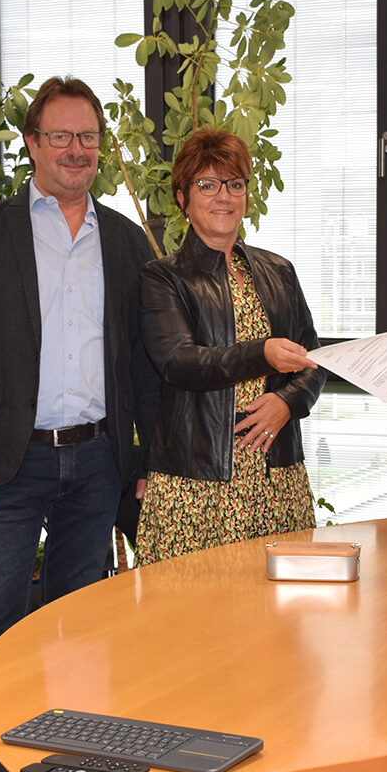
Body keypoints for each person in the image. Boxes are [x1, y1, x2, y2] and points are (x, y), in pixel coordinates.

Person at [0, 76, 159, 673]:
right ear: (32, 142)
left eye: (88, 137)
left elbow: (143, 362)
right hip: (9, 460)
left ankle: (67, 721)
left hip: (98, 459)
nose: (76, 150)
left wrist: (148, 459)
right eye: (61, 136)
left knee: (79, 612)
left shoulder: (126, 241)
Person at [136, 128, 326, 563]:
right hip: (196, 484)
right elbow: (179, 362)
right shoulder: (163, 277)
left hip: (276, 477)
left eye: (235, 184)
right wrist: (262, 353)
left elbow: (314, 360)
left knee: (283, 601)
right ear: (182, 198)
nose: (224, 196)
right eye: (207, 185)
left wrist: (287, 402)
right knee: (191, 603)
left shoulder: (279, 271)